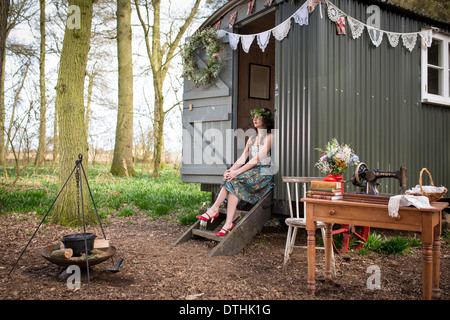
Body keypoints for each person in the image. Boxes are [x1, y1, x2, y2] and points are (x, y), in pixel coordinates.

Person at [196, 108, 275, 236]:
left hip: (264, 173)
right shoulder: (252, 138)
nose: (254, 119)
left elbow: (256, 159)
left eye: (258, 117)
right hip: (252, 170)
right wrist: (230, 170)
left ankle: (214, 210)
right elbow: (243, 157)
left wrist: (236, 173)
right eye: (253, 117)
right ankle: (227, 222)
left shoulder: (270, 137)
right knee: (231, 180)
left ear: (265, 119)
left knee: (235, 179)